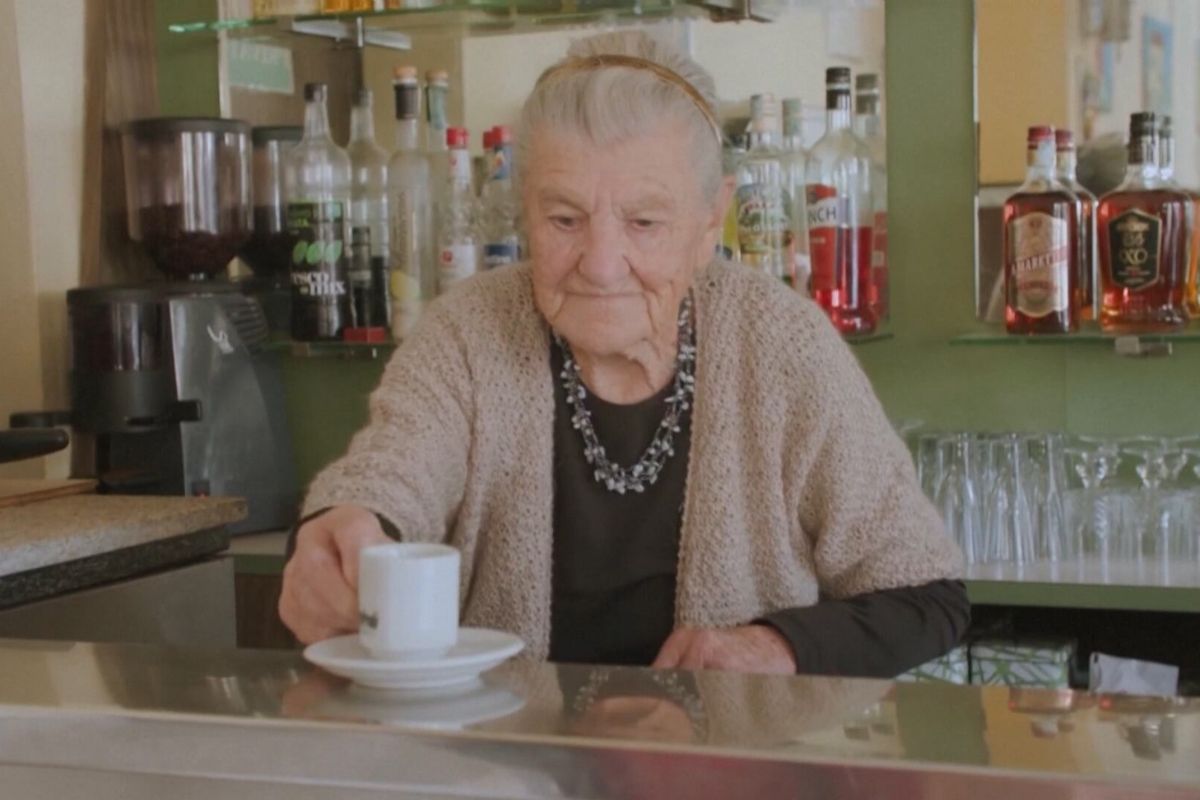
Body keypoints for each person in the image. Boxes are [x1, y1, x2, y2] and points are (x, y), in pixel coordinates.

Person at [279, 31, 969, 677]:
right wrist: (343, 531)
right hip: (500, 754)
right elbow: (392, 471)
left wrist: (774, 647)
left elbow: (926, 596)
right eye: (564, 219)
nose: (602, 264)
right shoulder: (468, 331)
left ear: (710, 220)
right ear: (524, 209)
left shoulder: (782, 345)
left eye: (643, 221)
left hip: (727, 757)